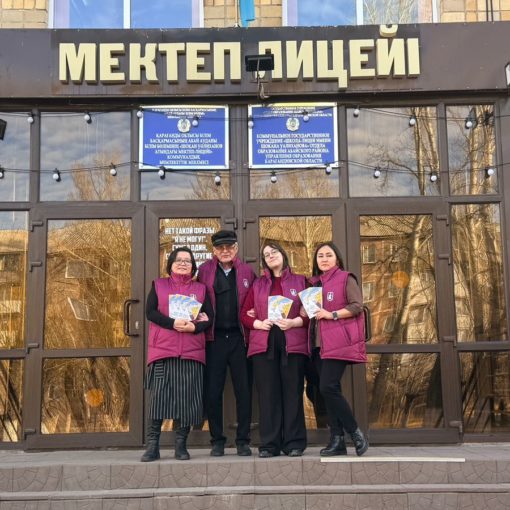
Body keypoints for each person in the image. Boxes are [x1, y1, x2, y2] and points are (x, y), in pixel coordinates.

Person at [141, 246, 213, 462]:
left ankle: (181, 445)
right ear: (170, 264)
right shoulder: (159, 285)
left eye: (187, 260)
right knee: (158, 400)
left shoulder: (200, 289)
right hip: (164, 351)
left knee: (187, 400)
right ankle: (152, 446)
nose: (183, 263)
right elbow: (150, 312)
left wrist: (194, 327)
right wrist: (172, 323)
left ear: (193, 266)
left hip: (191, 352)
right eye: (178, 260)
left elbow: (208, 317)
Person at [241, 242, 308, 457]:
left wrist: (295, 322)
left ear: (283, 254)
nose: (271, 256)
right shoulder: (258, 284)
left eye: (274, 252)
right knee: (268, 395)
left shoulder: (301, 281)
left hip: (292, 343)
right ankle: (270, 445)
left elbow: (311, 314)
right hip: (264, 344)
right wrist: (259, 323)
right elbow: (244, 314)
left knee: (293, 393)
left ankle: (294, 443)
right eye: (266, 254)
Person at [198, 230, 256, 456]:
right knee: (213, 392)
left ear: (236, 248)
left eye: (229, 247)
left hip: (240, 339)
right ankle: (217, 440)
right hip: (214, 339)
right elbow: (193, 296)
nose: (225, 251)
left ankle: (243, 440)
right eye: (220, 247)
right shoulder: (204, 271)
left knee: (244, 392)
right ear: (214, 250)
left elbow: (257, 298)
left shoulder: (247, 272)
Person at [310, 241, 369, 457]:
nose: (324, 259)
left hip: (338, 342)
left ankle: (355, 432)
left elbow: (357, 306)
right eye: (320, 256)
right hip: (317, 344)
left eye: (328, 255)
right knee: (328, 391)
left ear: (337, 258)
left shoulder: (345, 278)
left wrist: (332, 314)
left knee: (328, 387)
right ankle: (337, 440)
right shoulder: (314, 283)